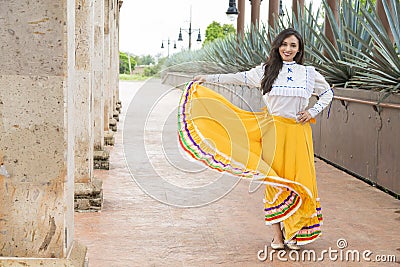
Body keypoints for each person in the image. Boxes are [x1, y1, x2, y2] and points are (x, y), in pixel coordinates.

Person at [178, 28, 333, 250]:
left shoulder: (309, 73)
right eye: (284, 44)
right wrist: (208, 78)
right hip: (272, 131)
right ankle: (278, 237)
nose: (287, 49)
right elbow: (238, 78)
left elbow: (327, 92)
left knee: (301, 181)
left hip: (298, 134)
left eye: (293, 46)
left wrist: (313, 111)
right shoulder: (266, 70)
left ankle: (294, 233)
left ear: (299, 50)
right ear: (277, 46)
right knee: (274, 181)